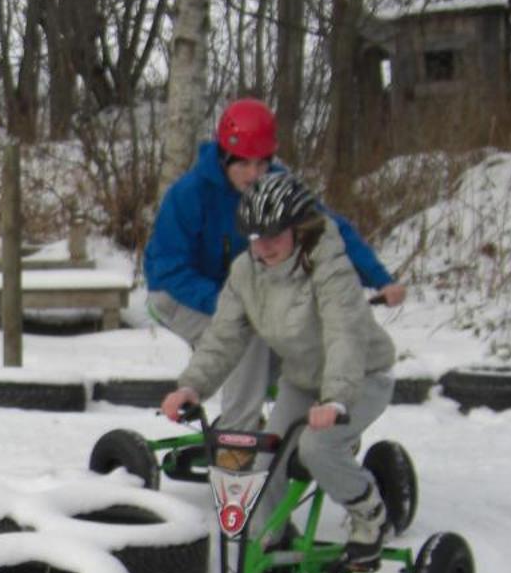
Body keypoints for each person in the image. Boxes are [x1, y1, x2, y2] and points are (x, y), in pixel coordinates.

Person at [161, 170, 396, 567]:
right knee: (263, 460)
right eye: (255, 237)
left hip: (360, 377)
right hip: (303, 380)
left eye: (274, 235)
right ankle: (271, 545)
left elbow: (344, 335)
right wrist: (191, 387)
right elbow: (224, 336)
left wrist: (337, 399)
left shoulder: (330, 267)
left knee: (317, 448)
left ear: (299, 229)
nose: (264, 247)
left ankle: (370, 515)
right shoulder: (246, 273)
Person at [145, 98, 403, 431]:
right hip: (177, 295)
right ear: (225, 158)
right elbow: (167, 269)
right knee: (248, 333)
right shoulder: (189, 194)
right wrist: (239, 303)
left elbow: (326, 228)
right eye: (243, 165)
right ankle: (238, 431)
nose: (253, 175)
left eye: (261, 164)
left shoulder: (278, 187)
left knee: (298, 323)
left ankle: (299, 427)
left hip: (240, 291)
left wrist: (381, 279)